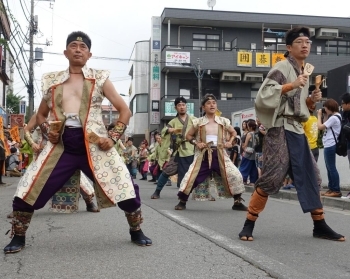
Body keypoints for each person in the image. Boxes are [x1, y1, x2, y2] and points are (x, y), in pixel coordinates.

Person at [3, 31, 151, 254]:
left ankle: (136, 230)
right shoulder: (52, 81)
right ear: (66, 52)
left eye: (83, 47)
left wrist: (112, 138)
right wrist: (46, 131)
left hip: (95, 145)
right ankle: (19, 236)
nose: (78, 50)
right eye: (73, 46)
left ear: (89, 54)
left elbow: (124, 111)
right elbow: (41, 115)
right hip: (61, 147)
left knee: (125, 188)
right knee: (28, 187)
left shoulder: (99, 78)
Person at [238, 26, 345, 242]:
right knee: (272, 177)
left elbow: (300, 106)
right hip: (279, 129)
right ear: (289, 47)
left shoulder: (305, 71)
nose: (305, 45)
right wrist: (291, 85)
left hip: (297, 130)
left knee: (312, 176)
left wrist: (311, 100)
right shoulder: (280, 67)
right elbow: (264, 96)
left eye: (308, 42)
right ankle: (248, 223)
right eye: (300, 42)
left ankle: (320, 225)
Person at [175, 94, 246, 211]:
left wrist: (230, 142)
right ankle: (182, 202)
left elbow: (233, 133)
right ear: (203, 107)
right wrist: (196, 143)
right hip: (203, 155)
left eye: (214, 102)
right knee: (191, 178)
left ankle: (237, 202)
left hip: (220, 154)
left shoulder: (223, 121)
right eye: (208, 103)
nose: (212, 105)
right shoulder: (198, 122)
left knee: (234, 175)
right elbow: (188, 135)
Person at [151, 97, 195, 199]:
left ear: (186, 106)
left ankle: (202, 194)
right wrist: (169, 130)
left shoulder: (194, 119)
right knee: (167, 171)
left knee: (200, 172)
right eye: (179, 105)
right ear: (176, 108)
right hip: (179, 152)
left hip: (193, 151)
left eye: (183, 105)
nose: (182, 107)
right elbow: (163, 131)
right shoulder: (174, 121)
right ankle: (157, 191)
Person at [317, 99, 342, 197]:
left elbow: (320, 127)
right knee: (329, 167)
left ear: (329, 107)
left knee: (331, 168)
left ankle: (335, 190)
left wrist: (319, 115)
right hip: (329, 144)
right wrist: (325, 115)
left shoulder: (334, 117)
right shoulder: (335, 117)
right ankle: (331, 189)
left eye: (325, 107)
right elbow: (326, 124)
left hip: (330, 144)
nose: (324, 109)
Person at [239, 119, 258, 186]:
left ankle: (243, 180)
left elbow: (245, 145)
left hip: (248, 154)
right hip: (255, 154)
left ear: (250, 127)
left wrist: (244, 148)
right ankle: (252, 181)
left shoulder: (249, 134)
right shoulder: (257, 133)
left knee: (244, 167)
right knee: (253, 168)